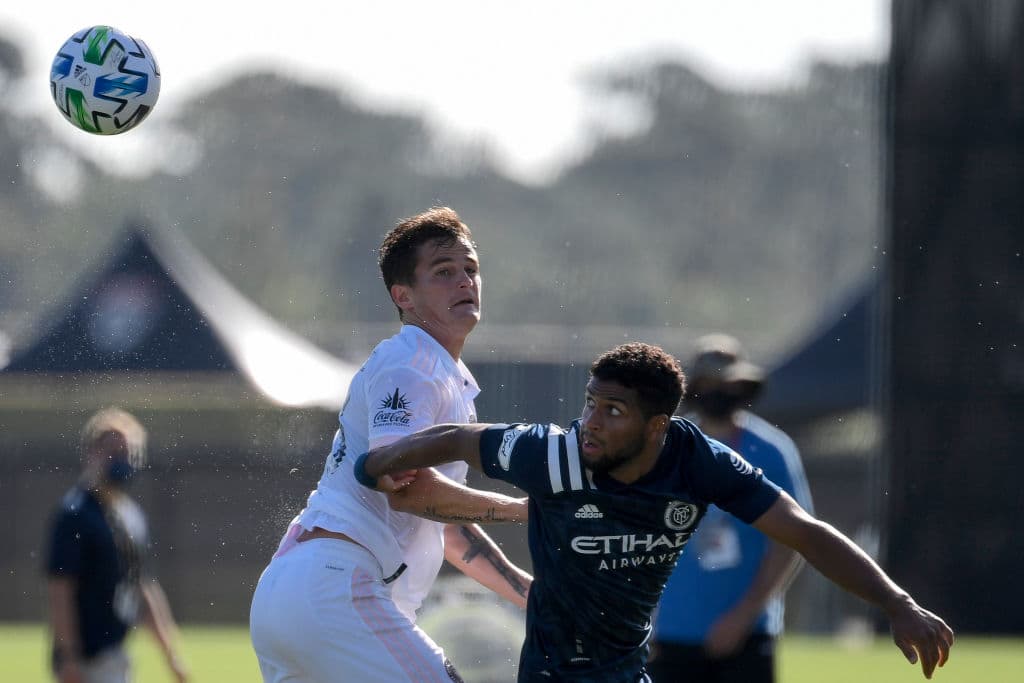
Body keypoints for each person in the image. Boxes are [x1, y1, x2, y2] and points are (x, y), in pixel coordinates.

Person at [356, 342, 954, 683]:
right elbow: (463, 436)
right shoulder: (556, 454)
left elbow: (801, 531)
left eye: (613, 410)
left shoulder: (698, 463)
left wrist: (897, 603)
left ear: (657, 426)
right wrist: (379, 461)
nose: (591, 420)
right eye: (590, 403)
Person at [249, 206, 532, 683]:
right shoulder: (413, 364)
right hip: (335, 589)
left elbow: (446, 526)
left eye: (471, 269)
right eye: (444, 272)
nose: (465, 281)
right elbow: (409, 490)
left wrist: (530, 593)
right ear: (404, 296)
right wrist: (526, 510)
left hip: (298, 592)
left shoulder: (438, 371)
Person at [648, 334, 814, 683]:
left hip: (746, 634)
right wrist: (642, 620)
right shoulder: (667, 447)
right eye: (710, 385)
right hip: (671, 634)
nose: (719, 394)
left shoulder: (771, 450)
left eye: (726, 384)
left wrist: (745, 614)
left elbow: (792, 540)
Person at [45, 407, 189, 683]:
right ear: (90, 454)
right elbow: (60, 589)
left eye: (126, 453)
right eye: (111, 451)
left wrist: (171, 655)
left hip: (115, 655)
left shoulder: (130, 516)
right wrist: (69, 656)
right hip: (86, 660)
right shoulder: (75, 514)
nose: (119, 460)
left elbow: (141, 585)